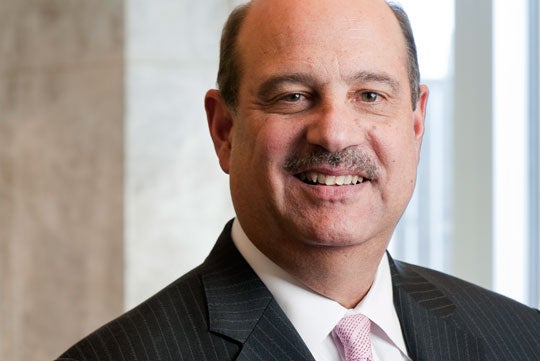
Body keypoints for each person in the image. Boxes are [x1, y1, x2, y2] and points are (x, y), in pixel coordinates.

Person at [56, 0, 540, 360]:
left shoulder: (522, 339)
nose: (334, 133)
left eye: (370, 95)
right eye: (292, 96)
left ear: (416, 125)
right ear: (224, 130)